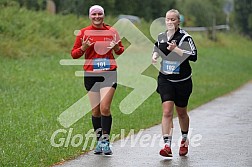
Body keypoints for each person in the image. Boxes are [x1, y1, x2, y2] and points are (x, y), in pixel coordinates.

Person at [71, 5, 124, 155]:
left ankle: (106, 142)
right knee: (95, 110)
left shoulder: (112, 31)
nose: (97, 16)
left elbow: (121, 50)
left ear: (104, 15)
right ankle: (99, 141)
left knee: (104, 108)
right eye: (94, 14)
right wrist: (83, 47)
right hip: (91, 74)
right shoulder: (83, 33)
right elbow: (74, 54)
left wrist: (116, 48)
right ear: (90, 16)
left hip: (109, 73)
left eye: (99, 14)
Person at [152, 9, 197, 157]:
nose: (170, 22)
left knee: (182, 112)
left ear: (178, 21)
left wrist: (177, 49)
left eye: (173, 20)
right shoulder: (162, 36)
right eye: (167, 19)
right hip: (165, 79)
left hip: (183, 81)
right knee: (167, 111)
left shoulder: (185, 37)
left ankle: (184, 140)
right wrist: (155, 55)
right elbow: (157, 46)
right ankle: (167, 145)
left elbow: (194, 55)